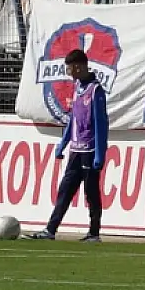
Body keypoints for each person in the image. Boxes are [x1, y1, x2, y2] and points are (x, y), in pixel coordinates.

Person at [25, 49, 108, 242]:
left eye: (69, 68)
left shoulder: (96, 91)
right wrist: (63, 143)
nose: (68, 73)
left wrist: (99, 154)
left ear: (78, 66)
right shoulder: (77, 87)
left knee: (91, 193)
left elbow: (101, 123)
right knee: (65, 190)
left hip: (90, 150)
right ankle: (50, 230)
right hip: (75, 151)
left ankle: (94, 233)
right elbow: (73, 119)